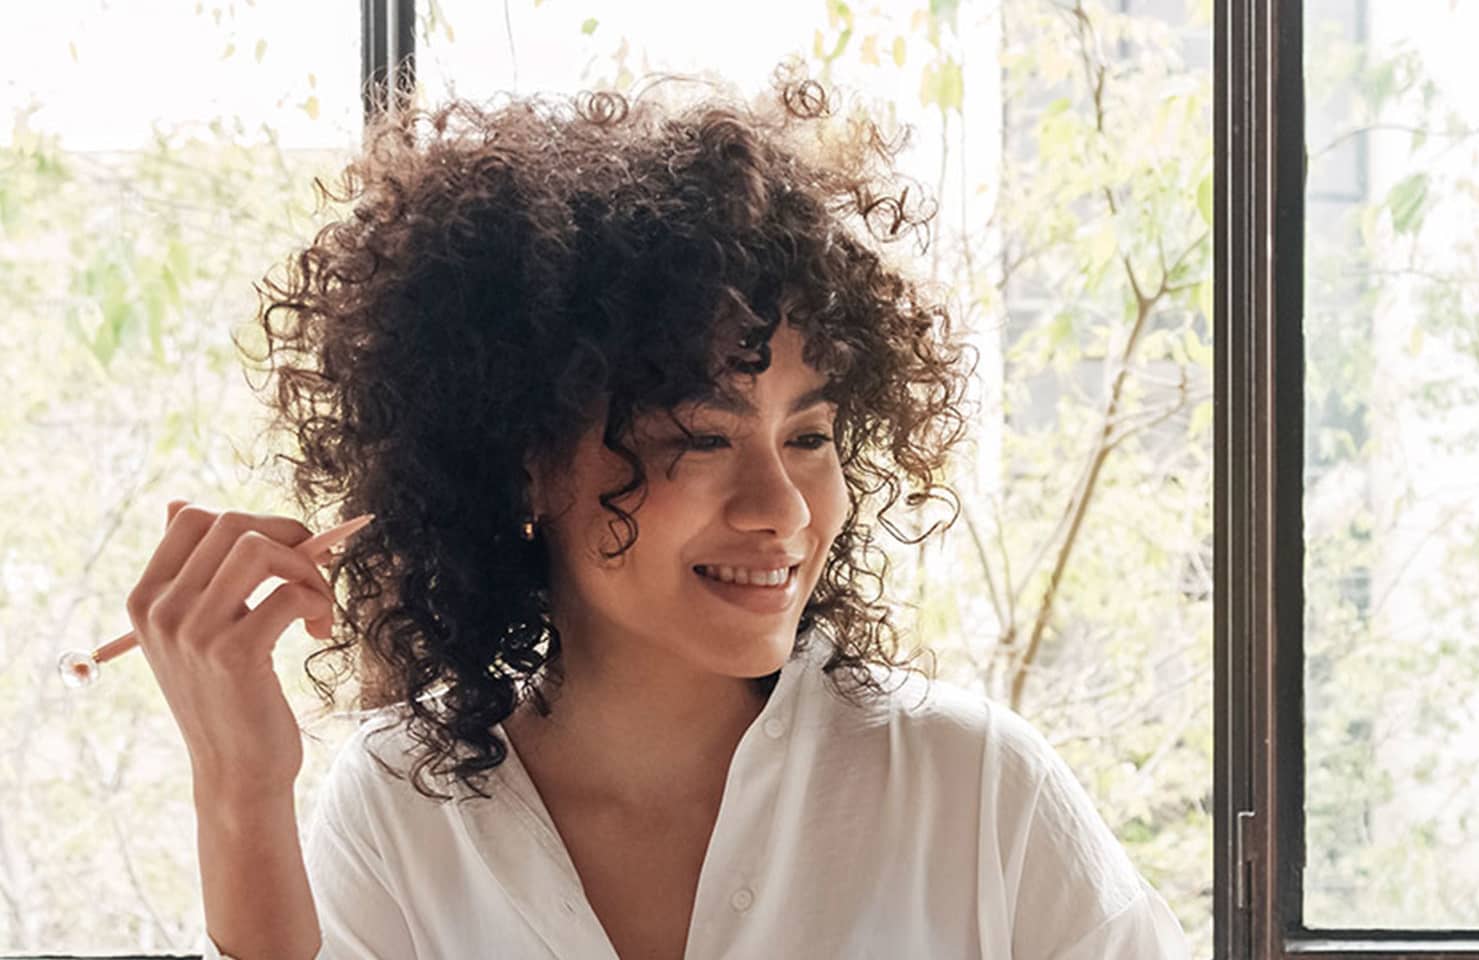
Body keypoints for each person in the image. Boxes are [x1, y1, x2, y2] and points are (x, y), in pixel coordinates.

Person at [124, 62, 1190, 959]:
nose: (782, 510)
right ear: (525, 464)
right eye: (701, 438)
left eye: (810, 437)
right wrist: (240, 792)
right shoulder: (406, 805)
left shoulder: (969, 792)